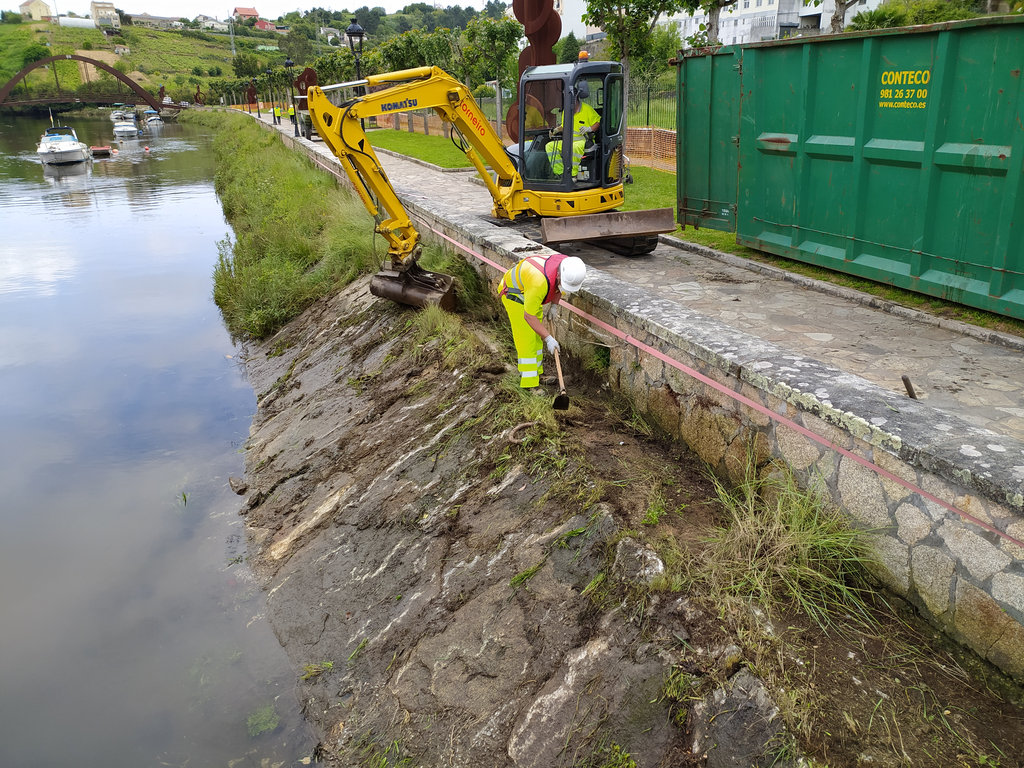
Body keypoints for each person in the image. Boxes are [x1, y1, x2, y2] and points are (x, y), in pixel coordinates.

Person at [499, 254, 587, 390]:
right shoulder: (538, 282)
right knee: (527, 339)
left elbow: (558, 287)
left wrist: (554, 305)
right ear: (559, 275)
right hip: (514, 295)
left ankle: (538, 375)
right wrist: (549, 338)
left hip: (530, 294)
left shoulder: (567, 265)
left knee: (536, 337)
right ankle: (530, 384)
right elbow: (529, 316)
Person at [548, 81, 601, 178]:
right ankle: (560, 173)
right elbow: (564, 126)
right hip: (569, 141)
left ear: (576, 98)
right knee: (550, 146)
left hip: (584, 140)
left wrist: (589, 128)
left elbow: (598, 122)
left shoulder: (587, 109)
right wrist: (556, 130)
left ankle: (572, 175)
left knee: (574, 148)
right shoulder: (566, 111)